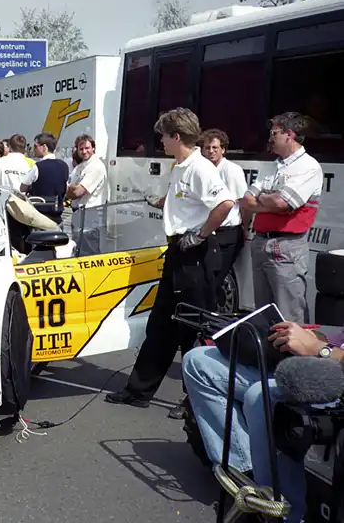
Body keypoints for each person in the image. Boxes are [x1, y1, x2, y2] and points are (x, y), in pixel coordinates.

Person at [106, 108, 234, 411]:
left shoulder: (200, 167)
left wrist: (201, 234)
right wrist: (160, 202)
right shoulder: (179, 166)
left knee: (193, 328)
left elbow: (225, 203)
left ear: (177, 136)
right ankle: (138, 391)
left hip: (196, 254)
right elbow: (184, 202)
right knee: (161, 324)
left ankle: (197, 401)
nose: (160, 141)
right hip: (178, 252)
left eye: (163, 136)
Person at [182, 320, 343, 523]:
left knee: (260, 396)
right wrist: (300, 336)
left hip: (335, 379)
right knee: (198, 362)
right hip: (321, 361)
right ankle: (247, 483)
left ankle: (284, 514)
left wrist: (320, 349)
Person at [239, 112, 323, 324]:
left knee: (289, 315)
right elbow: (247, 199)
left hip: (286, 248)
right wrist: (271, 201)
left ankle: (294, 357)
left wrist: (265, 199)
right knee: (263, 314)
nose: (270, 138)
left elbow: (283, 203)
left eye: (274, 133)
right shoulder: (274, 165)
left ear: (290, 134)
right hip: (261, 243)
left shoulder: (308, 166)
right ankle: (268, 357)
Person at [200, 128, 248, 296]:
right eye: (207, 148)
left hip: (227, 234)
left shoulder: (232, 170)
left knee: (213, 281)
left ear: (223, 149)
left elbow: (244, 202)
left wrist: (246, 228)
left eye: (215, 147)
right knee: (205, 280)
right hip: (208, 231)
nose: (210, 151)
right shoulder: (203, 170)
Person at [66, 134, 108, 255]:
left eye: (87, 148)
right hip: (78, 214)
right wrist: (71, 189)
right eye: (81, 149)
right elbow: (69, 192)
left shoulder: (96, 166)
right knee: (78, 250)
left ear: (93, 148)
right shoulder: (80, 167)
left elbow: (77, 192)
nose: (84, 151)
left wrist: (71, 189)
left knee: (89, 252)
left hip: (90, 214)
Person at [21, 132, 70, 225]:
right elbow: (66, 188)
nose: (33, 149)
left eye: (35, 146)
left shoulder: (38, 166)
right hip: (57, 215)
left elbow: (23, 187)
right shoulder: (64, 166)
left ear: (44, 147)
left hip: (40, 216)